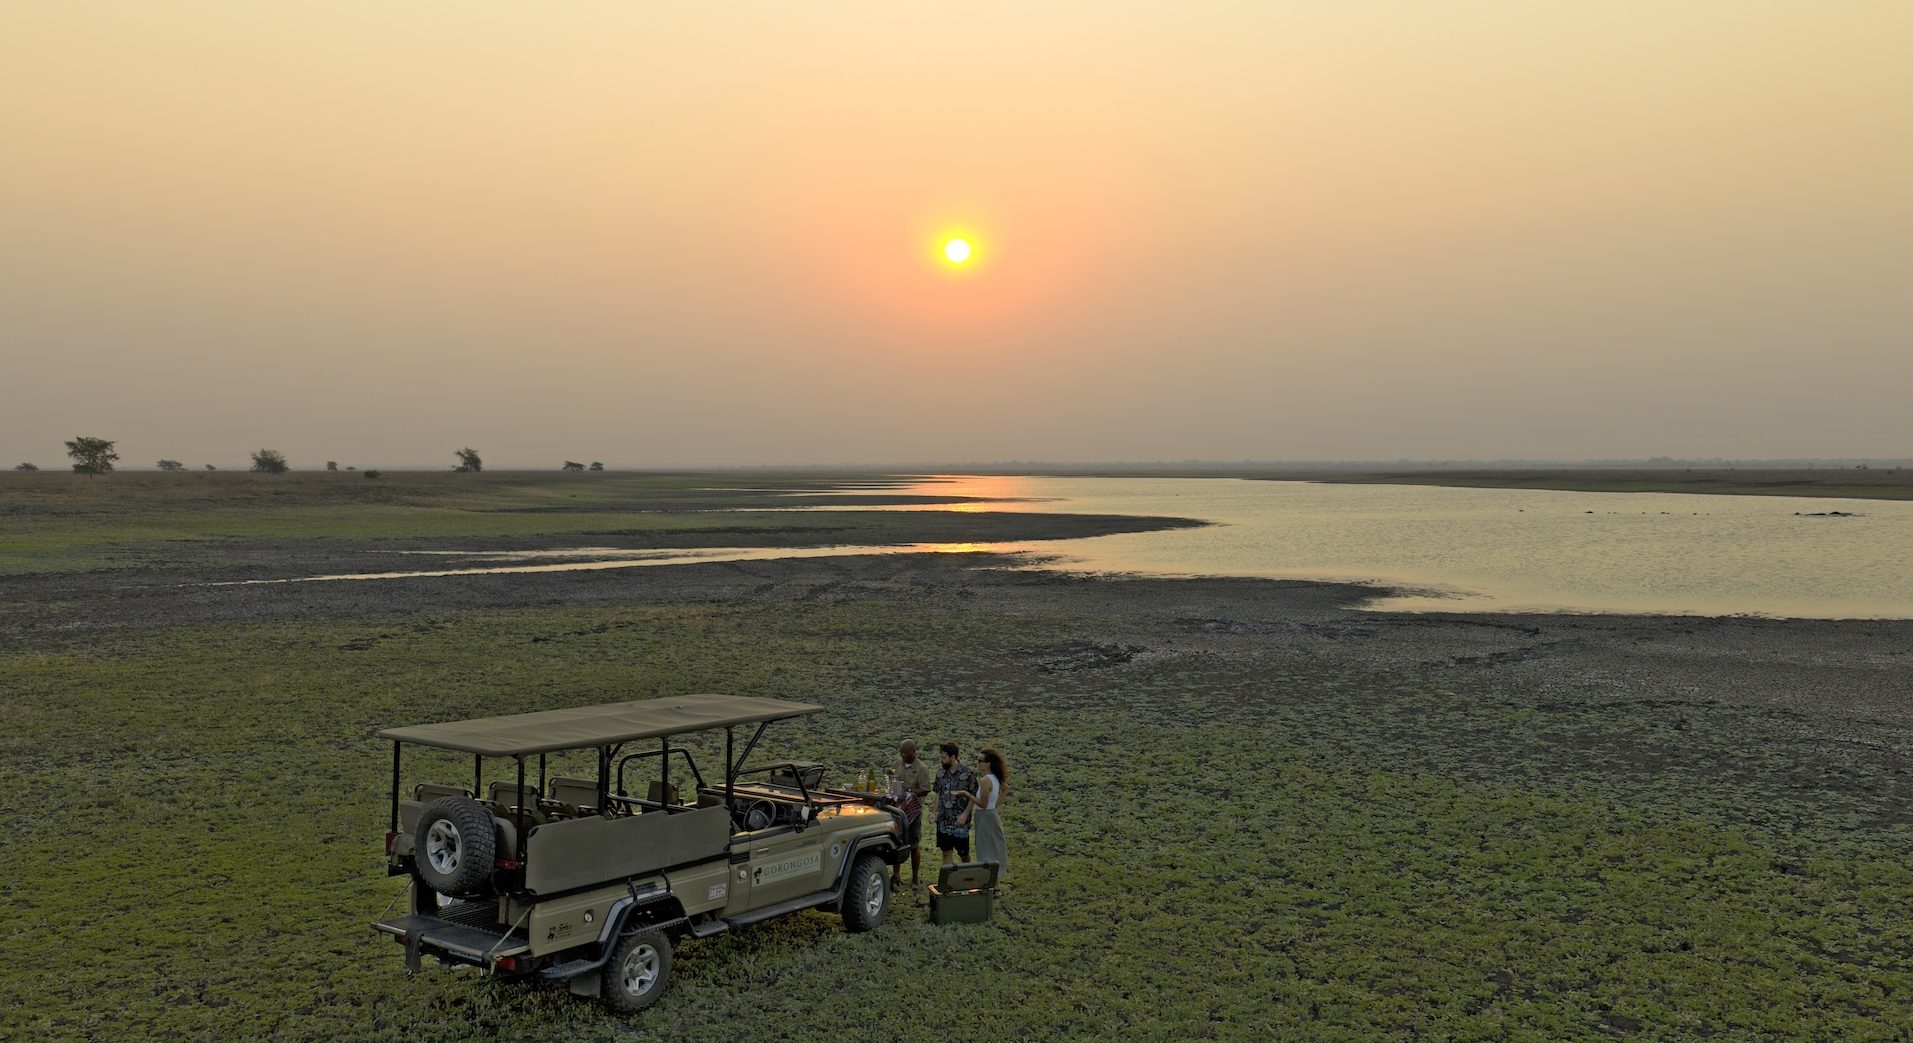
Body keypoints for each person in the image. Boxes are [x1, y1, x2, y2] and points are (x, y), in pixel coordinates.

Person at [956, 747, 1008, 884]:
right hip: (990, 815)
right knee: (992, 849)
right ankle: (995, 886)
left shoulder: (985, 780)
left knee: (985, 850)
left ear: (988, 763)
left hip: (985, 816)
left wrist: (966, 794)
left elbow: (983, 804)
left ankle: (991, 884)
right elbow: (1005, 788)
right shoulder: (994, 778)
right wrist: (995, 804)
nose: (977, 763)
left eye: (980, 761)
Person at [886, 739, 933, 888]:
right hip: (898, 810)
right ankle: (896, 875)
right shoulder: (898, 763)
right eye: (901, 752)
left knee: (914, 844)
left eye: (905, 753)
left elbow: (926, 789)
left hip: (914, 811)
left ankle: (915, 878)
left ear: (913, 751)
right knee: (896, 841)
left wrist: (910, 791)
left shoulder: (921, 768)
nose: (903, 755)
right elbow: (894, 780)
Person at [932, 740, 976, 866]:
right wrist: (934, 812)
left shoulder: (967, 774)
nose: (941, 760)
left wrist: (965, 814)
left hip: (960, 822)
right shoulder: (940, 774)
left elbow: (973, 795)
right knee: (946, 853)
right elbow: (938, 794)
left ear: (953, 757)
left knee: (963, 854)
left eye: (944, 757)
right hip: (943, 820)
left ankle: (969, 879)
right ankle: (949, 883)